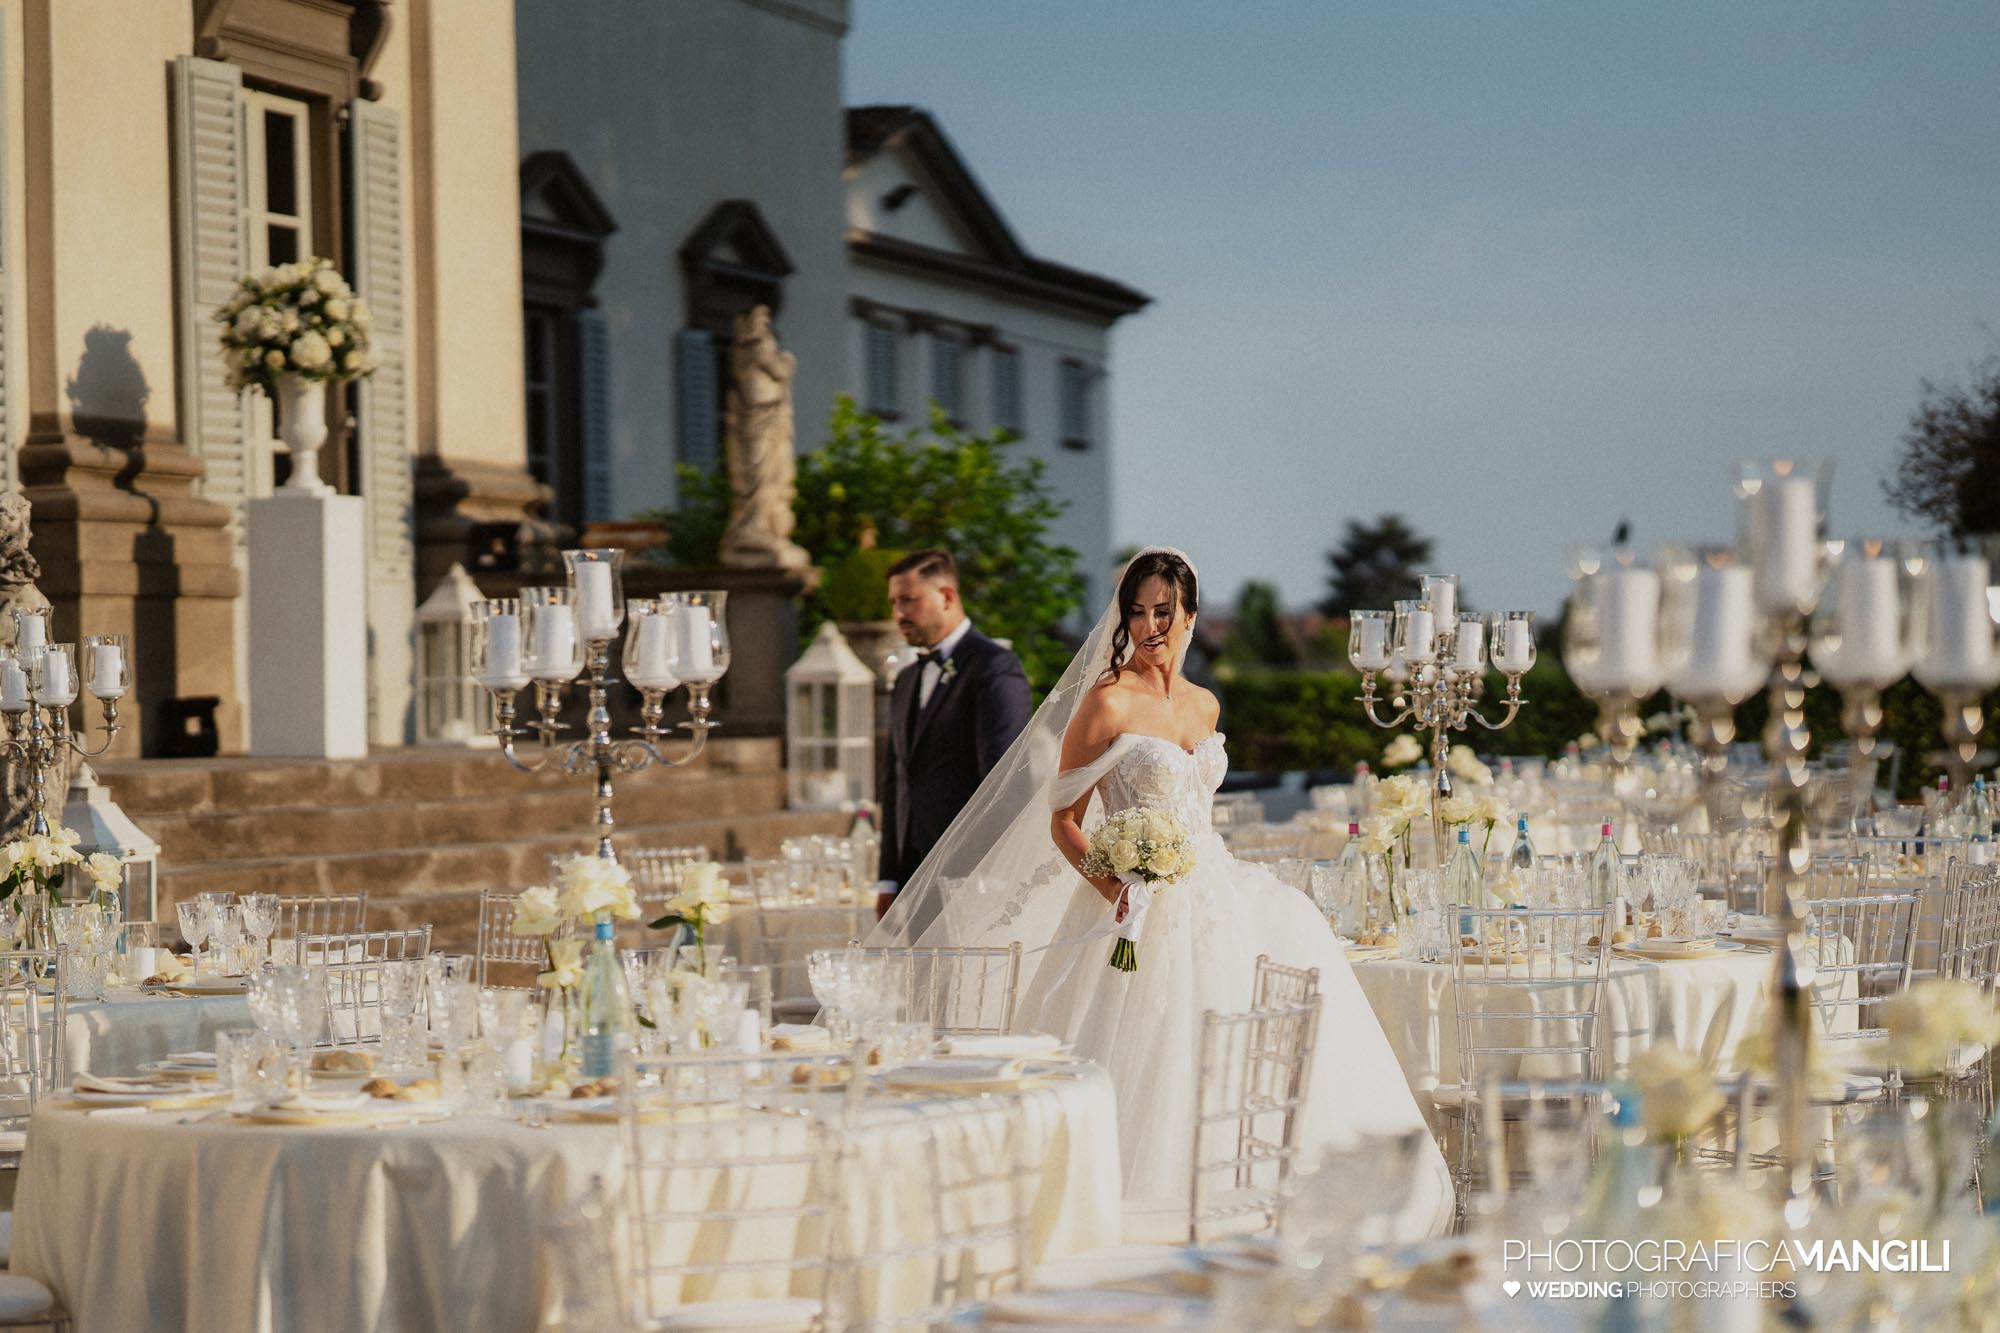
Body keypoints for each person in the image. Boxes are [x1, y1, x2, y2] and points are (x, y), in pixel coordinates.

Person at [871, 548, 1452, 1238]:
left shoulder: (1206, 704)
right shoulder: (1106, 700)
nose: (1150, 626)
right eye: (1138, 612)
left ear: (1191, 616)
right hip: (1132, 906)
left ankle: (1255, 1186)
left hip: (1216, 893)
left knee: (1267, 1000)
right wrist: (1113, 882)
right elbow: (1062, 820)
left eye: (1164, 613)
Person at [876, 549, 1032, 915]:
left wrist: (987, 879)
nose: (898, 615)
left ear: (947, 596)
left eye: (908, 601)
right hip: (910, 883)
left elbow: (1004, 783)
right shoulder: (906, 678)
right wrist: (887, 878)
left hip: (968, 879)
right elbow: (894, 781)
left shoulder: (995, 669)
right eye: (894, 603)